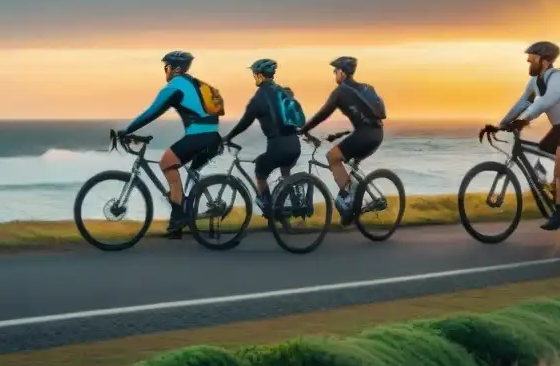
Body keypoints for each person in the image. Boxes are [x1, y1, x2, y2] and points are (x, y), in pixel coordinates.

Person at [117, 50, 225, 237]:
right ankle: (177, 225)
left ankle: (179, 217)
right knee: (176, 169)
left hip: (200, 136)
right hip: (212, 137)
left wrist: (128, 130)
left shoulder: (176, 86)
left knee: (167, 162)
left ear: (175, 69)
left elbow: (153, 112)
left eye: (166, 67)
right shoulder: (194, 83)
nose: (164, 70)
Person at [493, 41, 560, 232]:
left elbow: (546, 101)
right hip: (558, 128)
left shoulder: (559, 78)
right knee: (543, 151)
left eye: (532, 59)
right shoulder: (535, 81)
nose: (529, 62)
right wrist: (502, 124)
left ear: (544, 60)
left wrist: (525, 120)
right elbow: (522, 103)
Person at [299, 56, 386, 225]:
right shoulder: (366, 88)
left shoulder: (341, 91)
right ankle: (351, 209)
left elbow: (323, 113)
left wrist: (304, 129)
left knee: (332, 157)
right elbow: (377, 114)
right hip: (377, 135)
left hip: (364, 135)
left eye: (335, 71)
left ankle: (348, 199)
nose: (334, 75)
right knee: (349, 165)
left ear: (342, 72)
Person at [222, 58, 302, 215]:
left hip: (277, 147)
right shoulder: (284, 93)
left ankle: (267, 205)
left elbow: (245, 122)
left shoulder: (259, 98)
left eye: (254, 74)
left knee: (260, 169)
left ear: (259, 75)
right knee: (284, 168)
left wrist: (229, 136)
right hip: (294, 146)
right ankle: (294, 203)